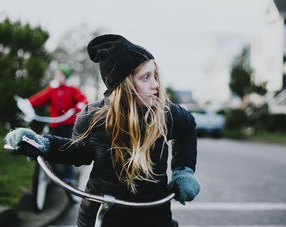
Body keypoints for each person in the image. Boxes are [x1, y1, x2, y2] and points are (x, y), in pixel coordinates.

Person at [6, 34, 200, 227]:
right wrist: (44, 144)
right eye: (146, 77)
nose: (156, 84)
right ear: (125, 85)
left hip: (154, 216)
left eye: (155, 75)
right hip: (103, 216)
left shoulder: (164, 112)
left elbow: (188, 127)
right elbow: (78, 151)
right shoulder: (94, 116)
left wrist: (183, 171)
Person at [25, 64, 88, 183]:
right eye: (56, 75)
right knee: (48, 145)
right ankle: (50, 170)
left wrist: (77, 106)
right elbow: (39, 98)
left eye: (61, 75)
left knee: (68, 147)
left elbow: (83, 100)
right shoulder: (51, 90)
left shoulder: (72, 89)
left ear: (66, 77)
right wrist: (28, 103)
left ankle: (69, 176)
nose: (58, 77)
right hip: (54, 124)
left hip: (69, 124)